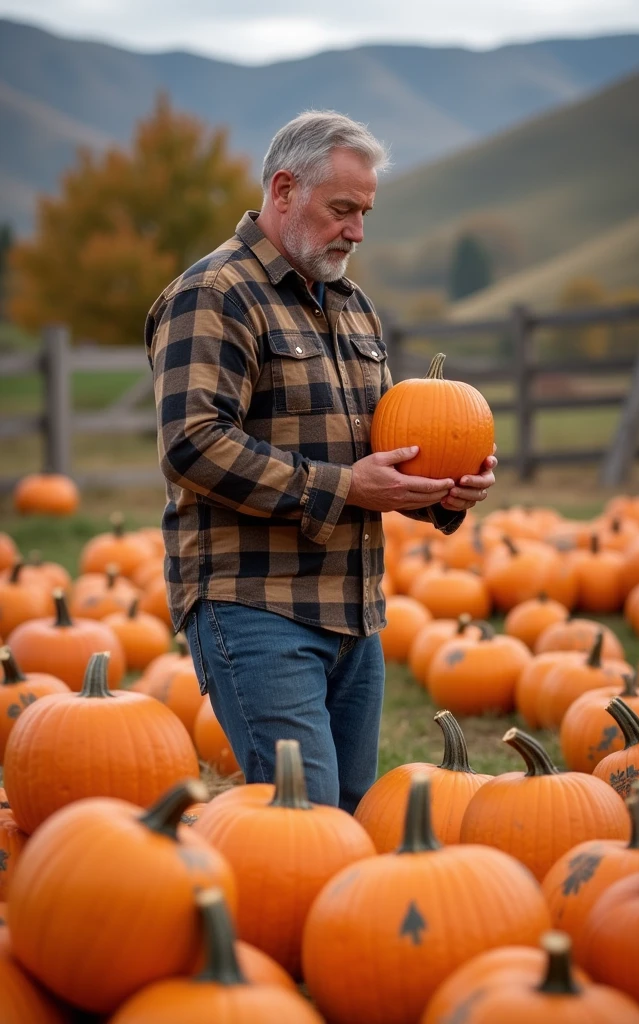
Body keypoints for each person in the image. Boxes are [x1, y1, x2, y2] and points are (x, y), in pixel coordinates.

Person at [145, 110, 497, 812]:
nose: (357, 231)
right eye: (342, 209)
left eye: (364, 212)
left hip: (353, 610)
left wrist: (439, 493)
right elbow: (193, 443)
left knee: (355, 812)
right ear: (284, 190)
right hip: (254, 604)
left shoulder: (352, 305)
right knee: (300, 819)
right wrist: (344, 486)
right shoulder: (214, 294)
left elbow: (375, 445)